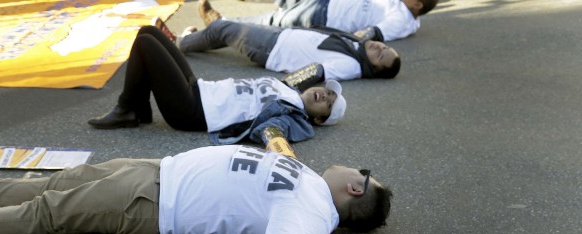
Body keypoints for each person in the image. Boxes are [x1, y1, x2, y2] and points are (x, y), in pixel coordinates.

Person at [0, 142, 393, 234]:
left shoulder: (313, 219)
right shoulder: (308, 181)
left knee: (50, 212)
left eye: (364, 175)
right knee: (65, 181)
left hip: (156, 204)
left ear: (355, 189)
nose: (357, 168)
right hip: (160, 172)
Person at [88, 25, 347, 147]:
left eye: (328, 103)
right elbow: (314, 68)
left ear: (320, 120)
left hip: (193, 112)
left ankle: (127, 109)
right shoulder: (288, 89)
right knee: (148, 32)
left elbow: (271, 131)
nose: (325, 94)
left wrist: (278, 150)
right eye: (329, 92)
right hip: (200, 89)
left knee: (146, 46)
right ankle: (139, 109)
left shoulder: (294, 118)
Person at [178, 19, 401, 81]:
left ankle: (181, 43)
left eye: (380, 55)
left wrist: (283, 87)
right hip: (282, 35)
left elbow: (316, 71)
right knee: (227, 30)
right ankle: (196, 39)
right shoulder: (358, 48)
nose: (379, 47)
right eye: (385, 47)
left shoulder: (351, 65)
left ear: (373, 69)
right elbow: (371, 33)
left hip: (272, 49)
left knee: (223, 28)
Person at [201, 0, 439, 42]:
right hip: (328, 2)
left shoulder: (401, 19)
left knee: (273, 20)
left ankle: (221, 23)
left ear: (417, 5)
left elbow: (372, 32)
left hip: (326, 16)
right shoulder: (399, 5)